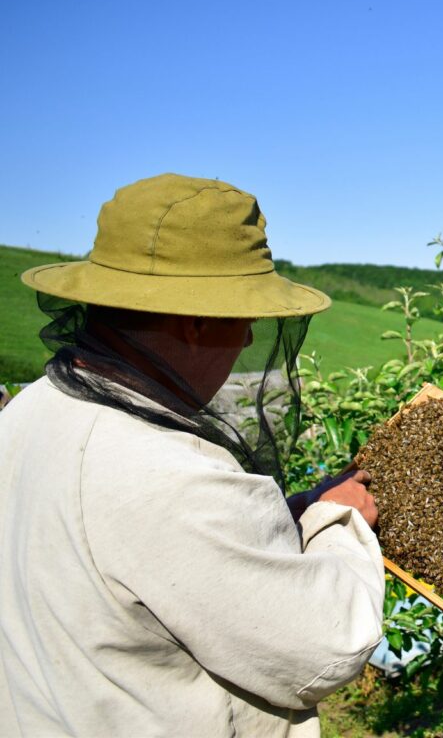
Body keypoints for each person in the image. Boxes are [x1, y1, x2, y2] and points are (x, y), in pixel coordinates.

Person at [0, 173, 384, 736]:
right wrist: (340, 520)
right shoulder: (168, 478)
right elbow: (327, 645)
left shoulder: (29, 410)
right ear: (199, 321)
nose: (251, 340)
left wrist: (286, 520)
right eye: (246, 318)